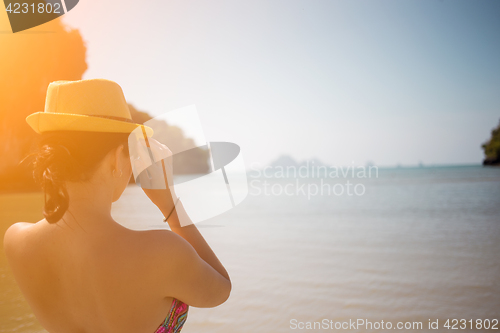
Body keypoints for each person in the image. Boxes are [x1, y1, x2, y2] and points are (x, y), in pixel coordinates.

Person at [3, 79, 231, 333]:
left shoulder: (16, 240)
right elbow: (221, 289)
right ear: (115, 158)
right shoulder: (163, 253)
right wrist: (168, 203)